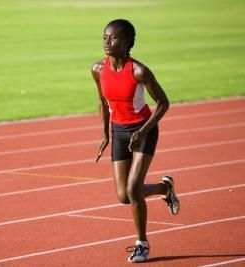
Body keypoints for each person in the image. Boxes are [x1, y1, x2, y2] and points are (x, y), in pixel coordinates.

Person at [91, 19, 180, 263]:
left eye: (114, 37)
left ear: (128, 42)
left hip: (144, 130)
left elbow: (163, 103)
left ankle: (142, 243)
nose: (107, 41)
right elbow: (103, 103)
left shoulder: (139, 71)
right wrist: (105, 135)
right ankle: (165, 188)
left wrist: (143, 130)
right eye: (105, 37)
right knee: (124, 195)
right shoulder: (98, 69)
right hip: (119, 131)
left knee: (133, 189)